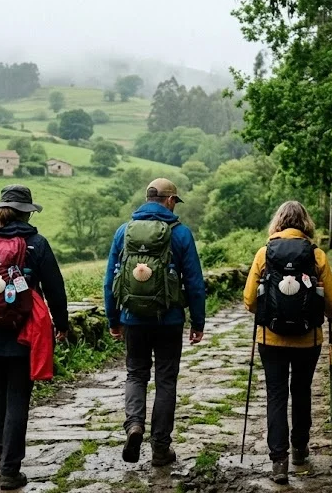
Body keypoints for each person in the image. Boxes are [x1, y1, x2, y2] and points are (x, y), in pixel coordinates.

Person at [0, 185, 68, 491]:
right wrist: (62, 324)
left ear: (1, 211)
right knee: (18, 395)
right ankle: (10, 468)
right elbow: (55, 289)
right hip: (24, 332)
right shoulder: (37, 243)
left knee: (0, 391)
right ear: (27, 212)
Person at [104, 178, 206, 467]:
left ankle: (134, 425)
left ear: (147, 198)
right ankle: (160, 447)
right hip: (169, 319)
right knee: (165, 380)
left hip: (133, 318)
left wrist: (114, 318)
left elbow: (110, 278)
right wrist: (197, 321)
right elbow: (195, 283)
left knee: (136, 374)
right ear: (170, 200)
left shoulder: (124, 232)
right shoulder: (181, 233)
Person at [243, 201, 332, 485]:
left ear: (278, 223)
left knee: (276, 394)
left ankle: (279, 462)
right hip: (308, 339)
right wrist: (327, 314)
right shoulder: (317, 255)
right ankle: (299, 449)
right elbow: (331, 301)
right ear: (305, 224)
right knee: (301, 390)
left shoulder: (264, 253)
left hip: (270, 339)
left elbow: (249, 300)